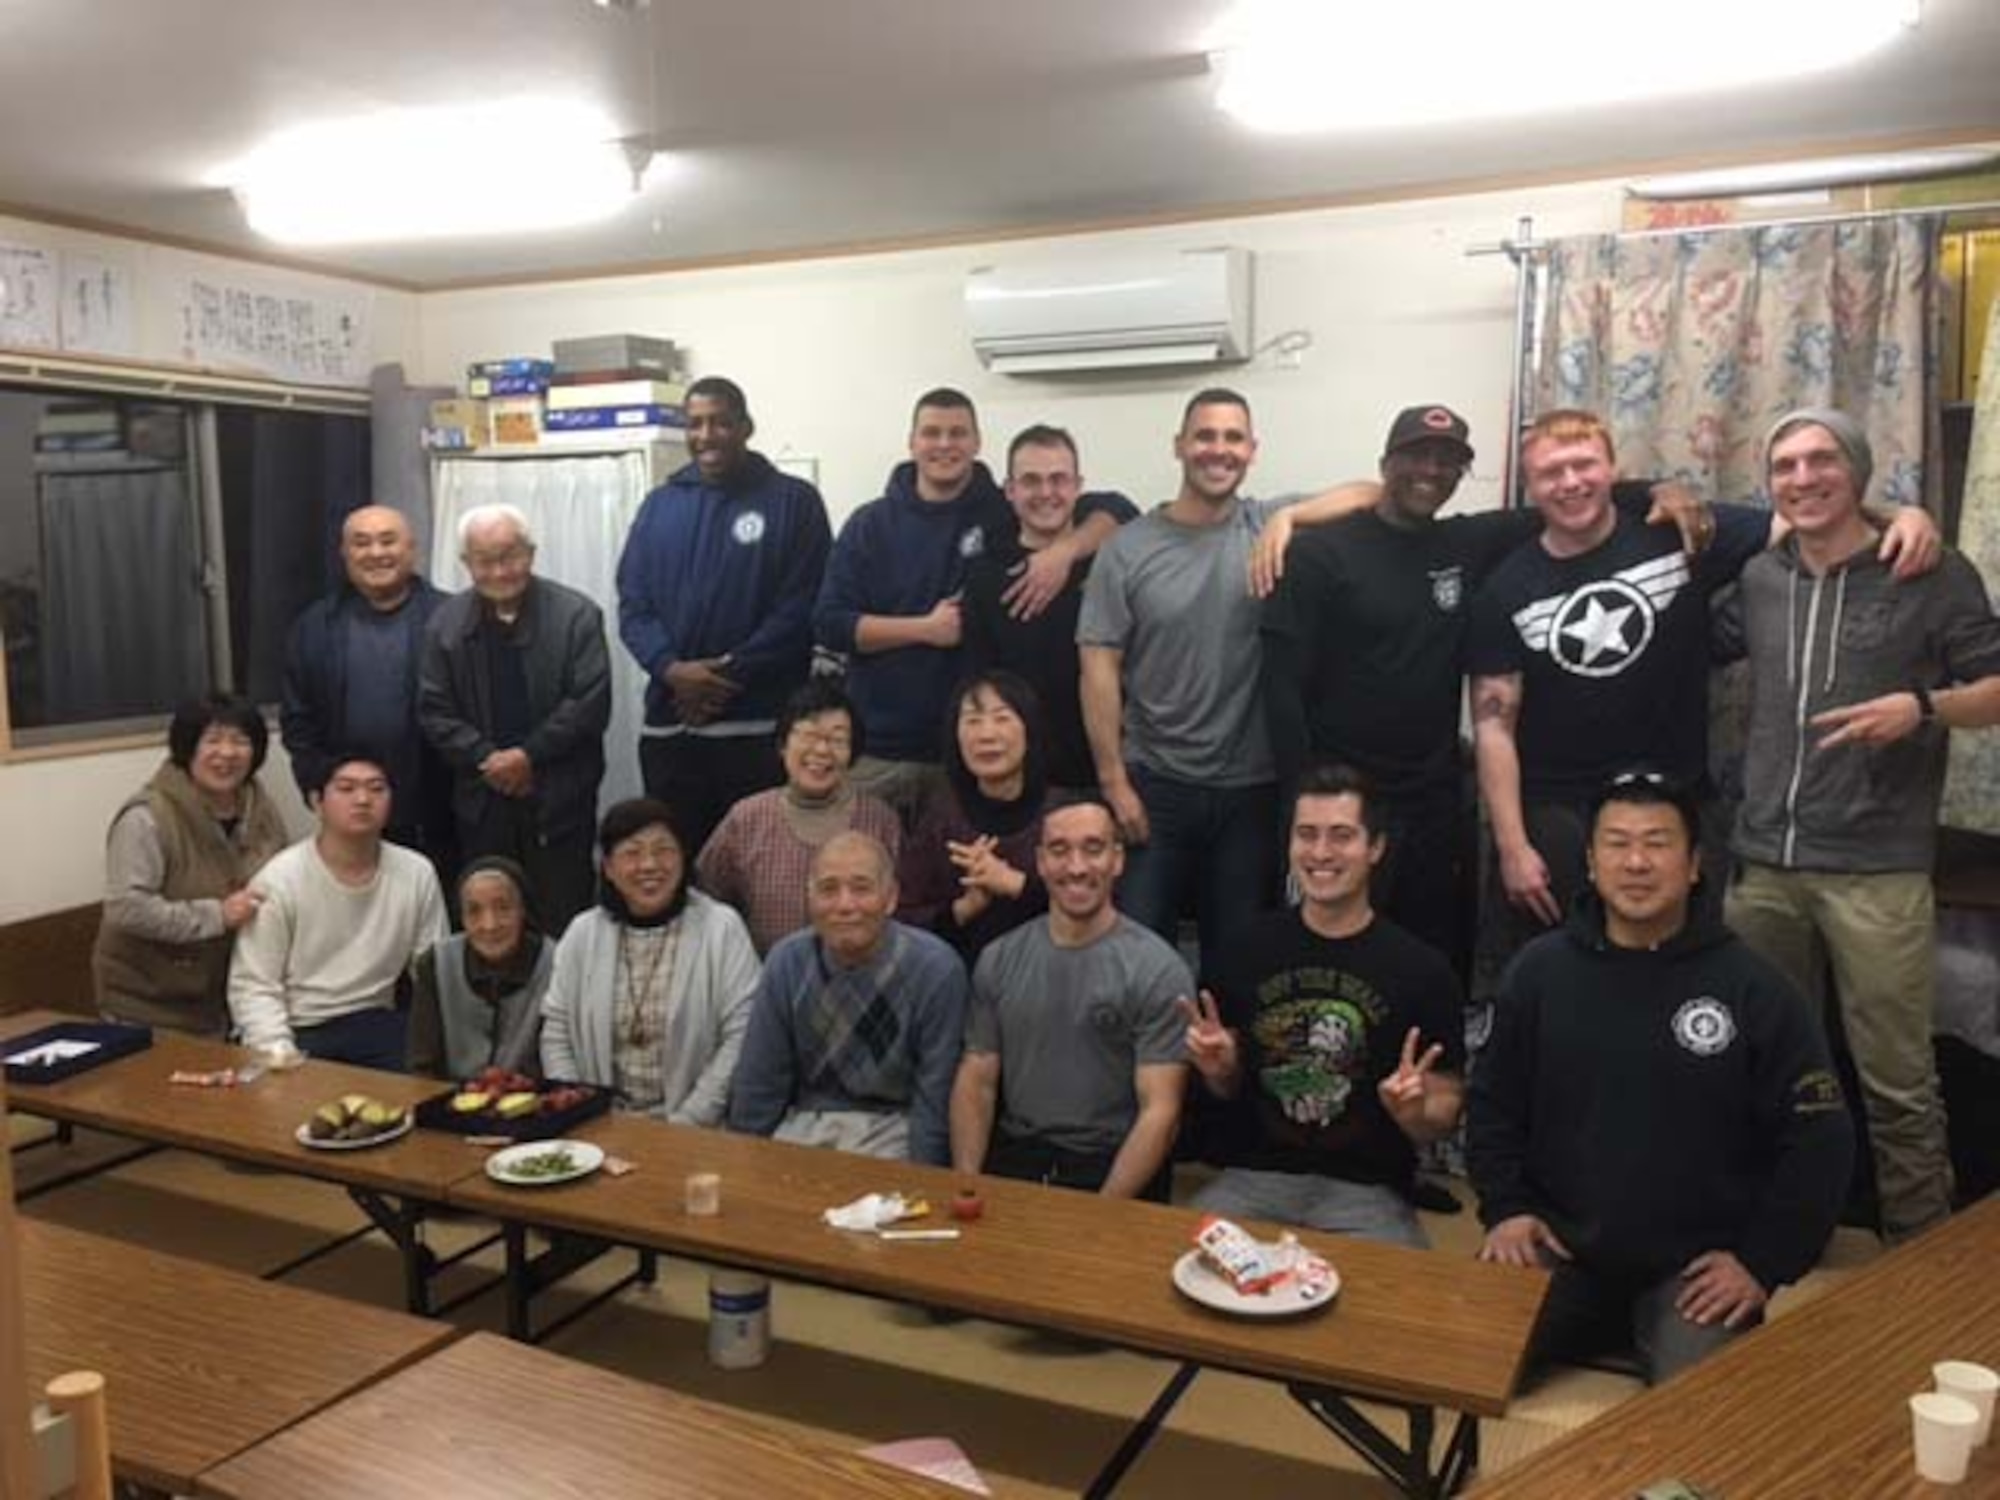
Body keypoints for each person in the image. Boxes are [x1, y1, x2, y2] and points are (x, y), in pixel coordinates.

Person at [1466, 409, 1936, 973]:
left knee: (1689, 970)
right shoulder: (1505, 587)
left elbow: (1810, 520)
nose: (1570, 483)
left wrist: (1901, 516)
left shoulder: (1682, 531)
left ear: (1612, 467)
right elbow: (1494, 724)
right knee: (1568, 973)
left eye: (1583, 464)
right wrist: (1514, 847)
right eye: (1550, 473)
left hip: (1680, 800)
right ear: (1530, 486)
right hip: (1561, 815)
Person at [1259, 405, 1715, 980]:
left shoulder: (1466, 541)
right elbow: (1279, 690)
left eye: (1446, 461)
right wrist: (1301, 802)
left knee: (1431, 958)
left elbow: (1575, 497)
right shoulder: (1319, 554)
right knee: (1327, 954)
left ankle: (1435, 1069)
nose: (1430, 470)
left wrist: (1664, 488)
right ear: (1385, 465)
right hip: (1339, 800)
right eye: (1416, 456)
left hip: (1435, 796)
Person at [1467, 772, 1854, 1385]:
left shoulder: (1756, 989)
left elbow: (1821, 1143)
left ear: (1696, 863)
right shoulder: (1537, 973)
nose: (1637, 862)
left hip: (1693, 1272)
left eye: (1658, 843)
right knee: (1457, 1352)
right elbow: (1491, 1106)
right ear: (1591, 863)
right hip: (1561, 1249)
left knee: (1700, 1419)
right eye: (1617, 844)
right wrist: (1507, 1210)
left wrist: (1761, 1262)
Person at [1719, 408, 2000, 1243]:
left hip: (1876, 871)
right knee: (1769, 1067)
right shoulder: (1763, 577)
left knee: (1899, 1081)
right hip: (1763, 865)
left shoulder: (1928, 570)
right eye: (1785, 465)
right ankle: (1780, 1234)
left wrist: (1920, 708)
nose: (1803, 478)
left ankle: (1918, 1256)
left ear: (1859, 471)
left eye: (1821, 461)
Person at [1181, 764, 1465, 1248]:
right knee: (1169, 1272)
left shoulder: (1424, 971)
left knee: (1401, 1309)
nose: (1320, 853)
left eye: (1341, 836)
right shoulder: (1243, 950)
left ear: (1375, 848)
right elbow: (1226, 1092)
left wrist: (1413, 1111)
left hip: (1368, 1192)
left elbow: (1443, 1113)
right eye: (1306, 835)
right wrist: (1218, 1070)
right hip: (1254, 1178)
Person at [813, 388, 1122, 824]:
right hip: (880, 747)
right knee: (869, 874)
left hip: (970, 755)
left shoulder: (999, 511)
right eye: (931, 433)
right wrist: (925, 628)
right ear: (911, 442)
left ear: (977, 444)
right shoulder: (870, 523)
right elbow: (828, 623)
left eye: (957, 433)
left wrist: (1064, 551)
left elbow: (1115, 509)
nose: (944, 444)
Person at [1077, 387, 1289, 972]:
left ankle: (1218, 1067)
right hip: (1154, 788)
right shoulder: (1127, 548)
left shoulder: (1265, 523)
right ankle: (1150, 1067)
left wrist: (1291, 515)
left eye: (1232, 438)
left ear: (1252, 450)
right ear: (1179, 446)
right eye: (1205, 436)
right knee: (1140, 961)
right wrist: (1114, 783)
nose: (1218, 450)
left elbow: (1370, 495)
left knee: (1237, 964)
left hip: (1251, 791)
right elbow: (1098, 667)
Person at [616, 376, 833, 857]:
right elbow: (633, 605)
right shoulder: (659, 506)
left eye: (719, 422)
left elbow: (801, 607)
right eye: (695, 424)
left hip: (755, 732)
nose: (706, 435)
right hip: (670, 731)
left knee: (759, 871)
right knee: (676, 871)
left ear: (746, 427)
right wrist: (673, 671)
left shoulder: (793, 502)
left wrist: (722, 676)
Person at [950, 797, 1189, 1199]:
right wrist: (967, 1183)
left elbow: (1161, 1112)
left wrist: (1102, 1210)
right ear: (1041, 862)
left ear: (1117, 860)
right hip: (1017, 1155)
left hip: (1113, 1164)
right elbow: (978, 1080)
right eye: (1060, 850)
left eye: (1093, 849)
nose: (1076, 867)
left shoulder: (1159, 969)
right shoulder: (999, 958)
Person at [418, 503, 611, 932]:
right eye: (485, 560)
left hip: (560, 802)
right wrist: (491, 759)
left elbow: (589, 704)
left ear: (531, 553)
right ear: (467, 563)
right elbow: (435, 711)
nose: (500, 571)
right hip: (482, 804)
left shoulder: (577, 615)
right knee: (493, 922)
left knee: (565, 922)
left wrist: (528, 756)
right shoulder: (443, 626)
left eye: (510, 556)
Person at [728, 833, 967, 1164]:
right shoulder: (787, 962)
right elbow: (760, 1081)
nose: (844, 905)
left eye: (861, 888)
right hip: (805, 1124)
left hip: (897, 1129)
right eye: (828, 889)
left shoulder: (936, 969)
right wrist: (747, 1165)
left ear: (891, 897)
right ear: (809, 897)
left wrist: (925, 1181)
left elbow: (935, 1098)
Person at [539, 798, 759, 1126]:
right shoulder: (582, 933)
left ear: (684, 857)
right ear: (609, 868)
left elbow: (741, 1035)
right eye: (632, 852)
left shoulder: (721, 928)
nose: (649, 865)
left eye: (663, 850)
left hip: (700, 1129)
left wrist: (688, 1122)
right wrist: (577, 1109)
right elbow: (557, 1032)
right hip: (596, 1125)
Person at [228, 753, 449, 1068]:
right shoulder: (280, 879)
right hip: (299, 1025)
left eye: (376, 788)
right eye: (346, 789)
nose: (362, 799)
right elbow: (254, 985)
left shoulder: (416, 871)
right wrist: (279, 1054)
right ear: (317, 802)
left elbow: (433, 973)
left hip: (376, 1022)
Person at [92, 695, 289, 1036]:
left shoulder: (261, 808)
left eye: (240, 741)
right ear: (186, 747)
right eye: (212, 740)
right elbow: (126, 909)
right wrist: (218, 915)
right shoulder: (147, 816)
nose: (226, 753)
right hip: (150, 1003)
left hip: (230, 999)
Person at [962, 423, 1138, 790]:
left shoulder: (1118, 559)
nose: (1046, 492)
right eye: (1031, 481)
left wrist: (1065, 551)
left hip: (1117, 772)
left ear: (1078, 486)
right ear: (1009, 490)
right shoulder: (985, 577)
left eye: (1059, 479)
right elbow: (980, 684)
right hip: (1024, 779)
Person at [280, 504, 452, 865]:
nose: (376, 553)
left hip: (442, 807)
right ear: (344, 553)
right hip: (352, 807)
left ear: (411, 548)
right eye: (361, 543)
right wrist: (315, 782)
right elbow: (298, 719)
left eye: (388, 541)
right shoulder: (314, 627)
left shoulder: (451, 618)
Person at [696, 679, 902, 955]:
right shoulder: (746, 819)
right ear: (782, 744)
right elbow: (705, 902)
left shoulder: (880, 820)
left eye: (837, 739)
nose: (821, 751)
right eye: (808, 736)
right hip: (766, 983)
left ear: (852, 753)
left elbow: (904, 910)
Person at [896, 671, 1050, 964]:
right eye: (972, 721)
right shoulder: (940, 817)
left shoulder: (1062, 815)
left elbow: (1097, 907)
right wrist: (966, 908)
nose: (987, 734)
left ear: (1029, 730)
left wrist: (1016, 884)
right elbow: (902, 917)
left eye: (1002, 718)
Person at [407, 856, 551, 1080]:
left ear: (523, 910)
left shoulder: (556, 963)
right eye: (474, 911)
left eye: (503, 908)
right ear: (461, 917)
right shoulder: (436, 963)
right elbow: (422, 1066)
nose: (489, 924)